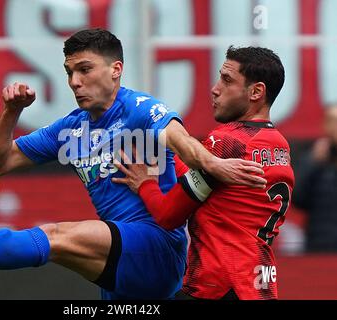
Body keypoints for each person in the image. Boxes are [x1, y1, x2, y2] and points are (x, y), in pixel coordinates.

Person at [0, 29, 265, 300]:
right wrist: (11, 112)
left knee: (57, 236)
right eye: (69, 71)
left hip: (157, 249)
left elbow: (183, 144)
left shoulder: (141, 109)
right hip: (118, 264)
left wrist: (215, 165)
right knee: (58, 241)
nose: (75, 81)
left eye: (85, 69)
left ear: (115, 70)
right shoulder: (70, 127)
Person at [113, 46, 295, 300]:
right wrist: (167, 151)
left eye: (227, 80)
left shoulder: (226, 142)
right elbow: (211, 184)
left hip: (217, 286)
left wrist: (144, 182)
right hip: (260, 287)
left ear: (256, 92)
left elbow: (168, 215)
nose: (215, 88)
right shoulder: (279, 145)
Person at [293, 104, 337, 252]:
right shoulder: (312, 158)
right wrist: (313, 163)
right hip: (319, 243)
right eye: (333, 121)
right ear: (325, 125)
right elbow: (297, 199)